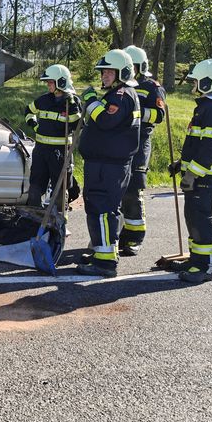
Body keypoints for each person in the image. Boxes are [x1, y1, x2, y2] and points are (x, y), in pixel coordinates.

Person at [76, 48, 141, 277]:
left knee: (103, 210)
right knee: (98, 208)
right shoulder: (115, 94)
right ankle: (102, 254)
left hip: (109, 166)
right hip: (104, 164)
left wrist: (91, 101)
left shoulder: (121, 95)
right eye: (103, 72)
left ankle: (105, 263)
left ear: (122, 73)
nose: (104, 76)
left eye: (109, 72)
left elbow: (106, 120)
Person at [169, 58, 212, 284]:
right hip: (200, 174)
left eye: (196, 81)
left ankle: (205, 267)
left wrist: (192, 174)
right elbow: (198, 144)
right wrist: (181, 163)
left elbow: (209, 148)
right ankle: (196, 260)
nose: (193, 85)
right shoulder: (206, 108)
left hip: (205, 176)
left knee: (201, 219)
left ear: (208, 83)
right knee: (193, 218)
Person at [118, 45, 167, 255]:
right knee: (118, 188)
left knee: (133, 189)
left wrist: (134, 111)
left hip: (140, 142)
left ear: (140, 66)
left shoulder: (151, 87)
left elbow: (159, 115)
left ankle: (135, 237)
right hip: (120, 142)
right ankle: (118, 234)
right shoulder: (120, 85)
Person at [23, 64, 82, 208]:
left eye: (50, 82)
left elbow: (78, 126)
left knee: (60, 189)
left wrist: (74, 108)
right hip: (41, 151)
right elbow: (28, 111)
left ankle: (59, 218)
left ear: (61, 82)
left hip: (60, 152)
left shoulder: (72, 103)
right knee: (35, 187)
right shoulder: (43, 100)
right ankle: (35, 216)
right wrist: (35, 126)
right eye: (47, 82)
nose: (48, 85)